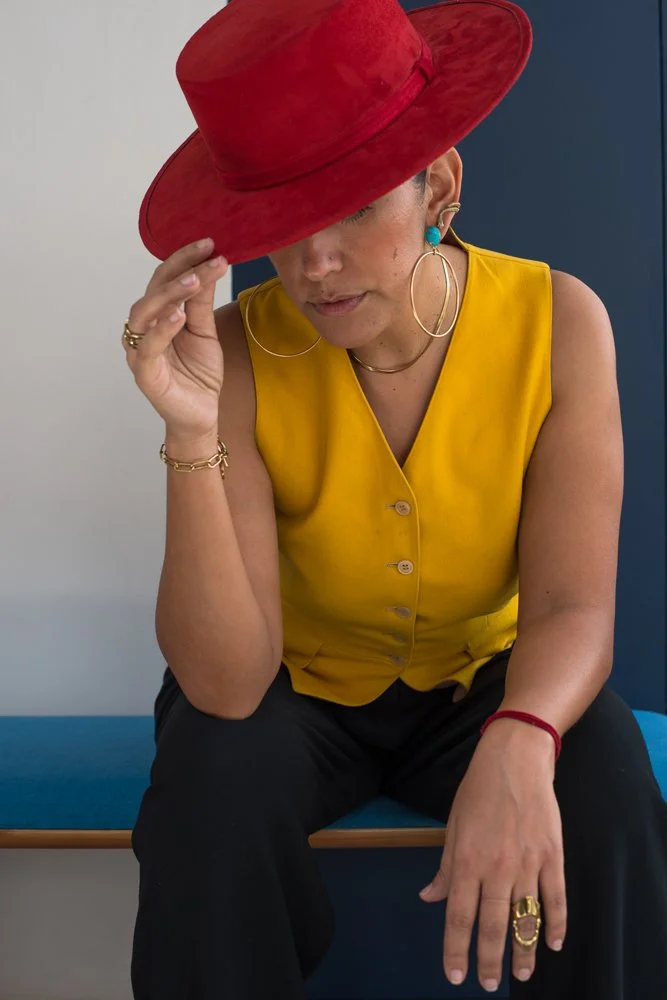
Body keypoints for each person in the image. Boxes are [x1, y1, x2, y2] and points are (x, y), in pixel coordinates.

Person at [123, 0, 667, 997]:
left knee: (608, 780)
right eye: (285, 223)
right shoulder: (234, 350)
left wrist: (523, 735)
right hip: (292, 692)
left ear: (438, 186)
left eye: (354, 208)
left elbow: (569, 606)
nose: (314, 263)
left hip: (481, 679)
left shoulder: (559, 322)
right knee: (208, 784)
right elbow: (228, 686)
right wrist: (190, 431)